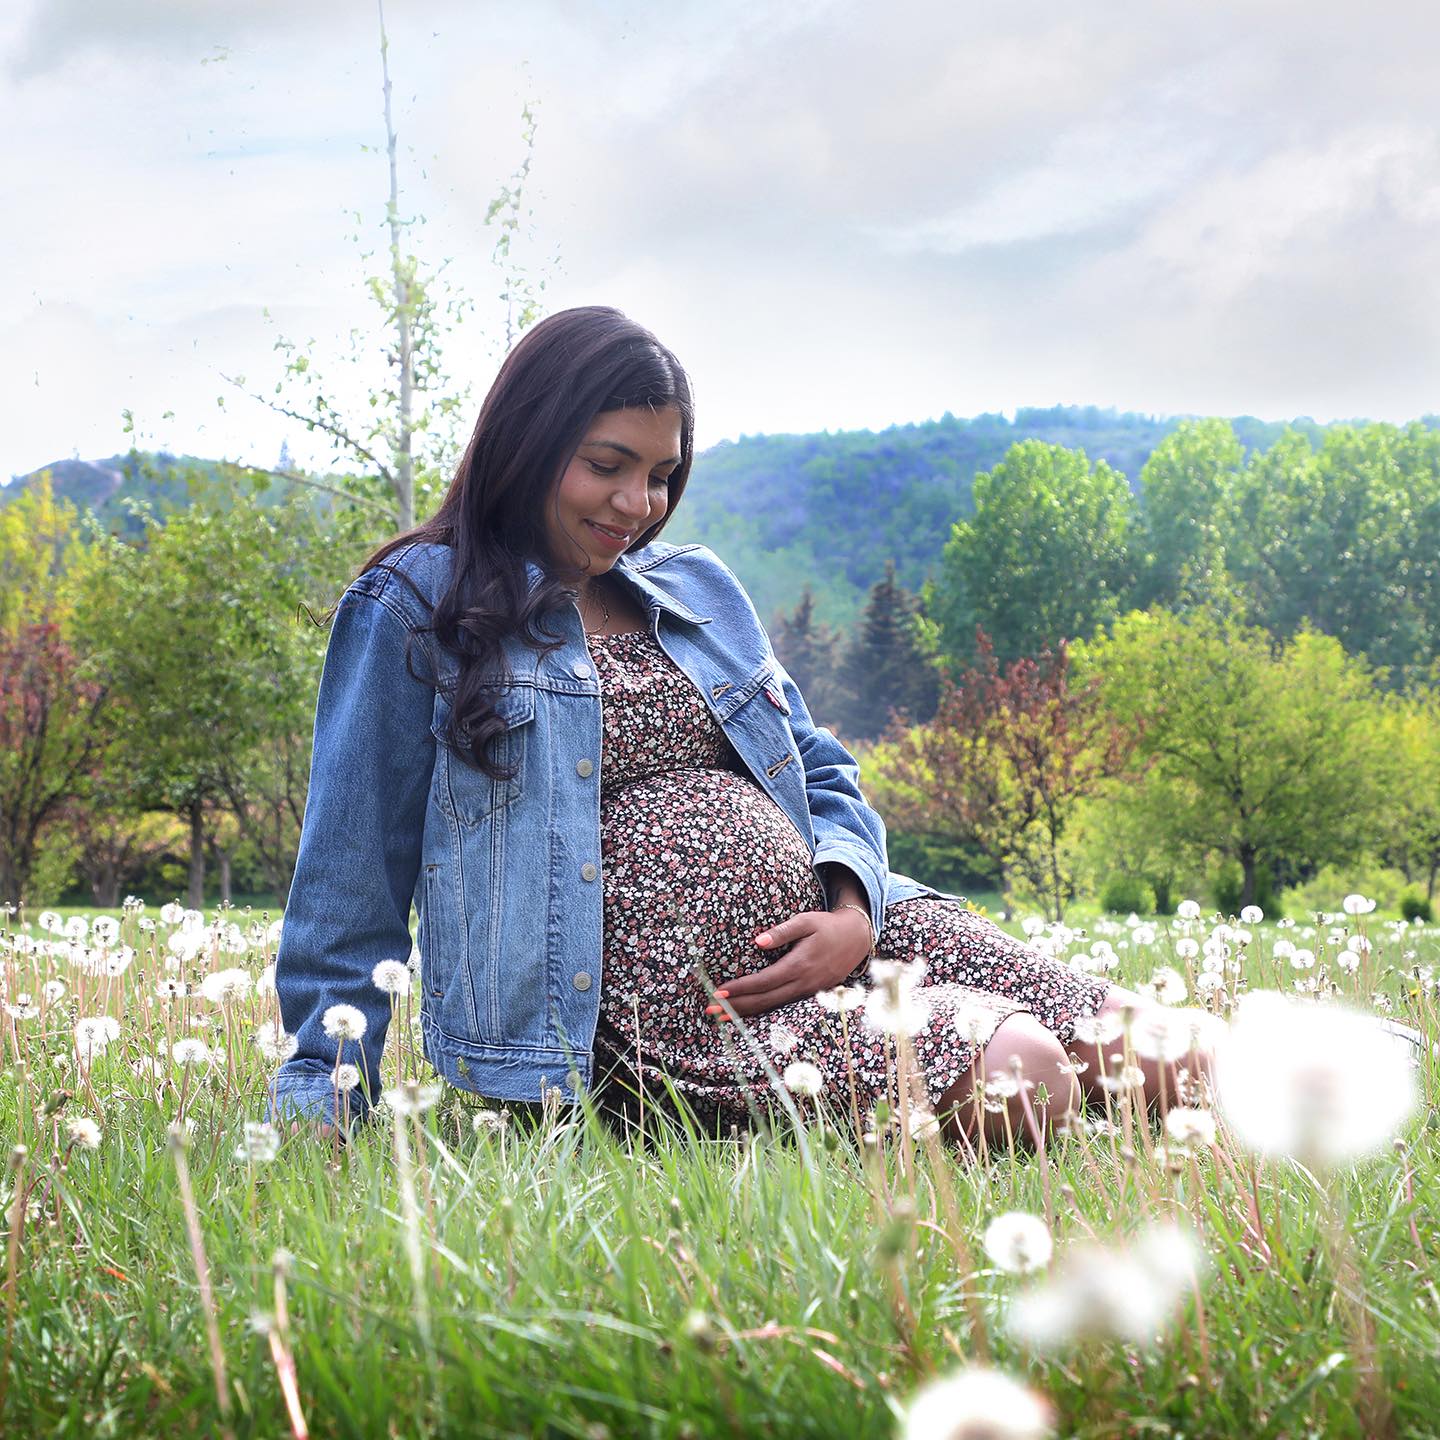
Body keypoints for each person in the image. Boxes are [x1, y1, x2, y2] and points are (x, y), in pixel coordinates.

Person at [272, 305, 1207, 1147]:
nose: (636, 506)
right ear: (526, 443)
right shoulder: (414, 606)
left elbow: (820, 769)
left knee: (1161, 1051)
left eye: (662, 475)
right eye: (606, 466)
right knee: (1025, 1074)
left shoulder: (699, 590)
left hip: (836, 928)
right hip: (673, 1015)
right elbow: (351, 875)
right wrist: (327, 1091)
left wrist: (851, 910)